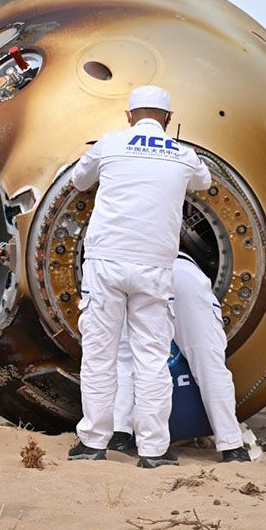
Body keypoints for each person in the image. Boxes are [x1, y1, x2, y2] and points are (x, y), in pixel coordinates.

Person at [67, 85, 211, 468]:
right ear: (167, 118)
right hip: (153, 268)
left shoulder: (110, 144)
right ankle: (153, 450)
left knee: (100, 354)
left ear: (129, 116)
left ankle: (94, 441)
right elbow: (205, 182)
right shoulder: (183, 155)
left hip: (106, 264)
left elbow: (80, 181)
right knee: (151, 357)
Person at [111, 253, 251, 463]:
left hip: (132, 272)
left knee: (125, 358)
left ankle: (118, 434)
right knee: (207, 360)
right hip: (181, 271)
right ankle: (232, 446)